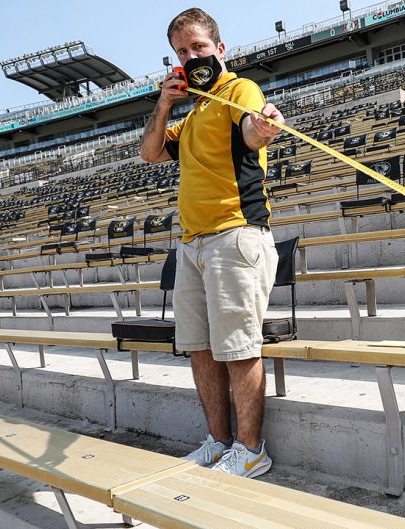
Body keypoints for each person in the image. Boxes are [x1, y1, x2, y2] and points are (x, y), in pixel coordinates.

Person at [140, 7, 285, 478]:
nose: (191, 56)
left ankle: (251, 449)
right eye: (182, 52)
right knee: (200, 349)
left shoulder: (238, 90)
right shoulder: (194, 110)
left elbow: (250, 130)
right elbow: (151, 153)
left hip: (235, 235)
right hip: (193, 244)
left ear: (220, 49)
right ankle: (219, 442)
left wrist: (261, 128)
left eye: (199, 47)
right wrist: (165, 103)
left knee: (239, 348)